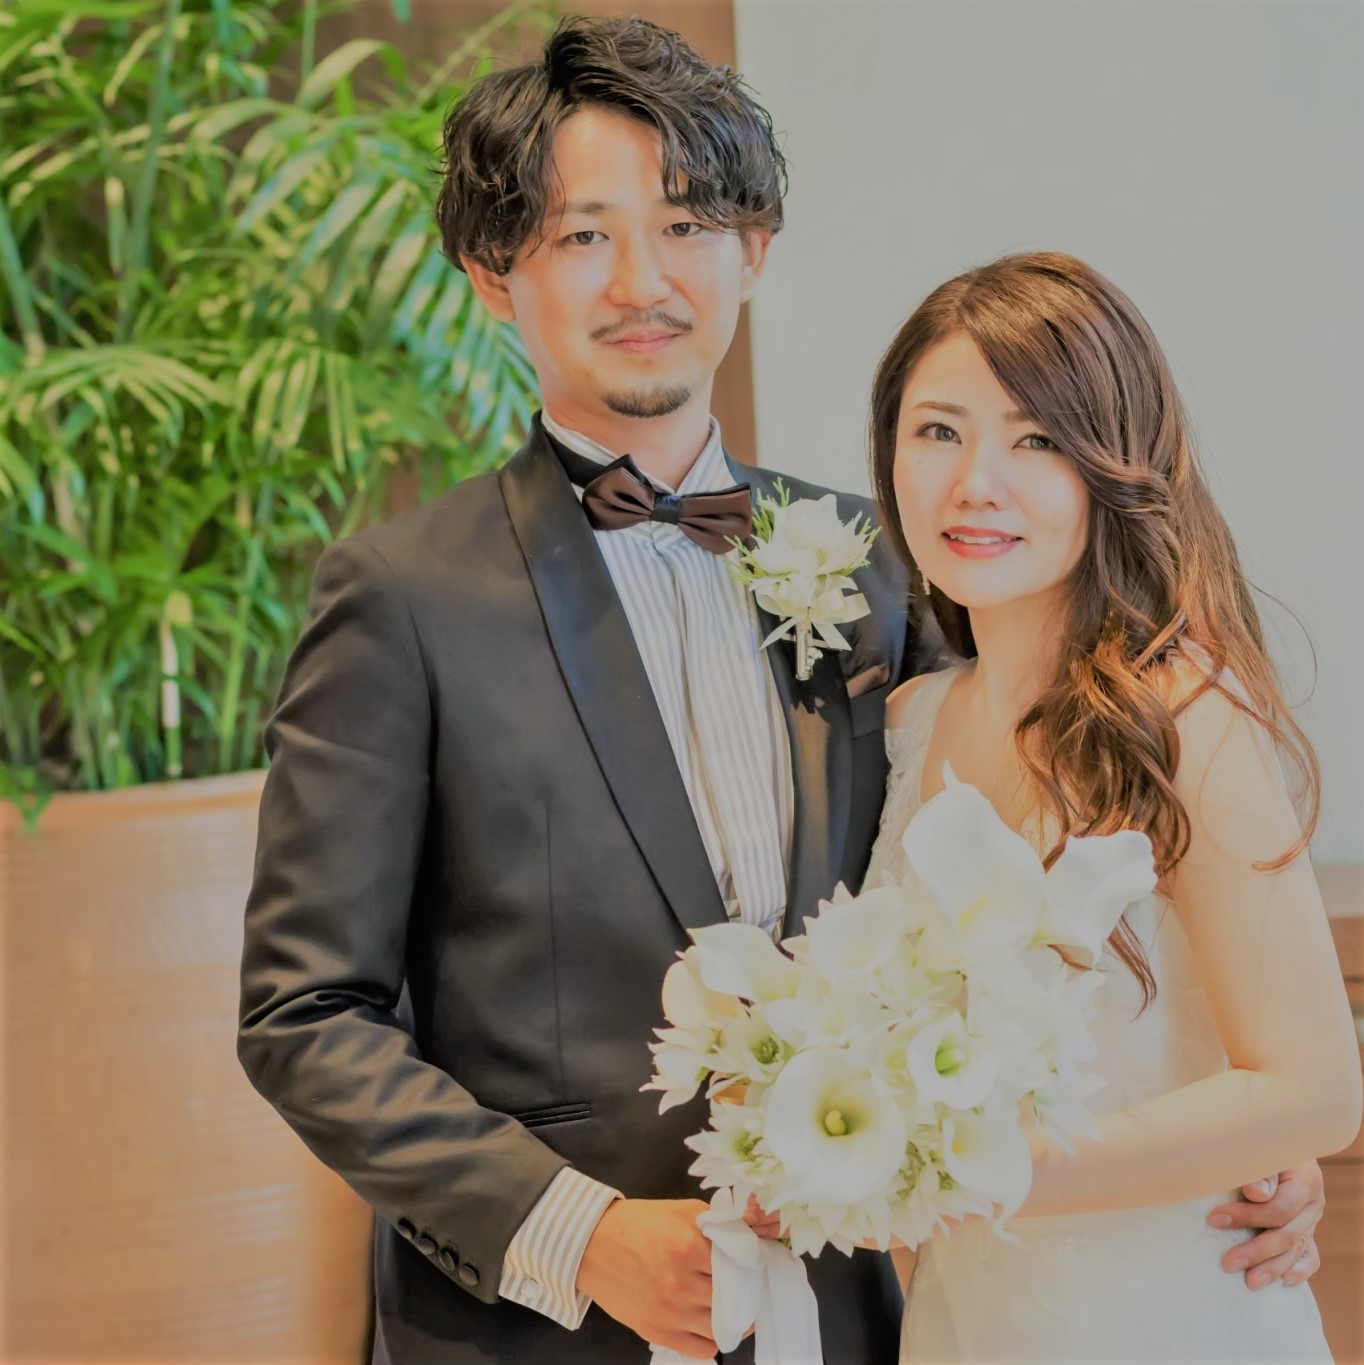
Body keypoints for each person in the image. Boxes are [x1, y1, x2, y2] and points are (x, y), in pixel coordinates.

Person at [237, 15, 1331, 1362]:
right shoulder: (400, 596)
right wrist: (583, 1234)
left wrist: (1229, 1144)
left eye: (686, 224)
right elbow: (305, 1015)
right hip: (552, 1328)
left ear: (753, 249)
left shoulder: (888, 564)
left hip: (866, 1307)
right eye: (582, 235)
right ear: (492, 275)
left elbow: (1036, 875)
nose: (642, 278)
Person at [862, 250, 1359, 1361]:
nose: (974, 482)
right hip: (965, 1321)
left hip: (1170, 1313)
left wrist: (978, 1170)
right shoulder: (905, 724)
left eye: (1035, 439)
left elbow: (1313, 1091)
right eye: (937, 431)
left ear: (1113, 463)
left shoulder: (1183, 715)